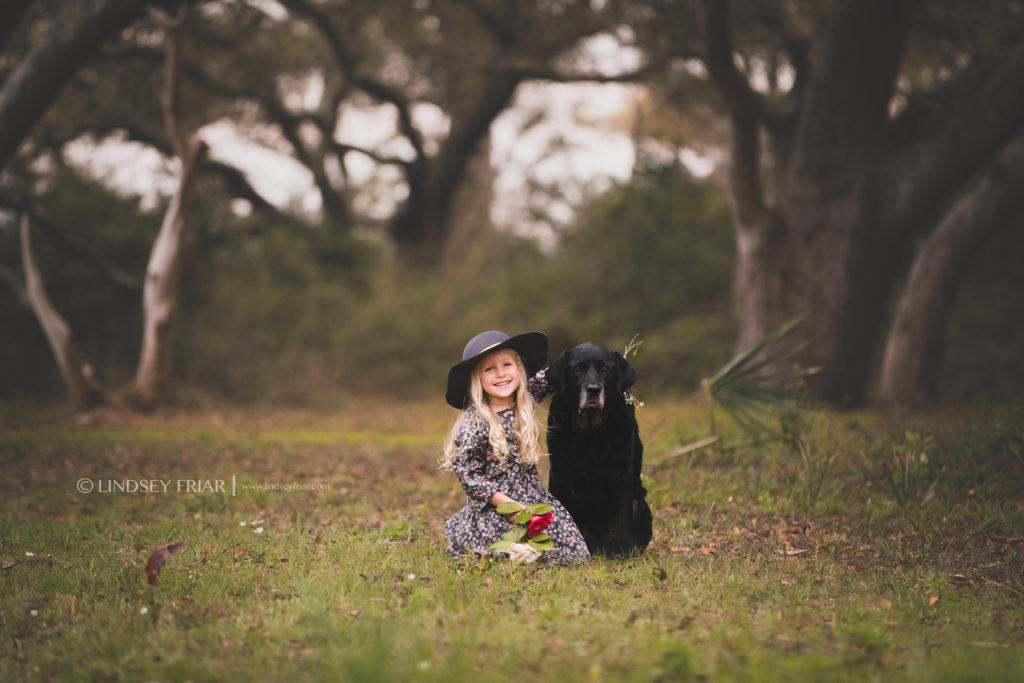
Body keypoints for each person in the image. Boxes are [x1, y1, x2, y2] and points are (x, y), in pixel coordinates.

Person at [441, 330, 590, 565]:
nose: (500, 374)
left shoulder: (526, 397)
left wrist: (592, 358)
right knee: (502, 547)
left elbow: (554, 373)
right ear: (477, 378)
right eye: (489, 369)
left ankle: (531, 553)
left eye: (507, 364)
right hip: (496, 505)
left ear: (519, 369)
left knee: (575, 553)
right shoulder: (476, 423)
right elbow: (468, 476)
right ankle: (513, 552)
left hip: (532, 498)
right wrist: (510, 508)